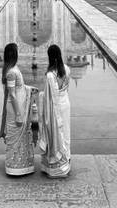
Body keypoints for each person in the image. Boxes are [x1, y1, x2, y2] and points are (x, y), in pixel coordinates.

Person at [0, 43, 37, 176]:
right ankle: (14, 166)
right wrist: (18, 114)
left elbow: (18, 88)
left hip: (19, 105)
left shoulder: (12, 69)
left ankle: (22, 165)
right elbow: (12, 94)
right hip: (16, 107)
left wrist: (29, 88)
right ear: (14, 55)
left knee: (21, 137)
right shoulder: (11, 72)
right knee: (15, 136)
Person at [39, 44, 71, 178]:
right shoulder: (67, 69)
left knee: (55, 133)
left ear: (50, 57)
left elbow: (48, 96)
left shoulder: (50, 75)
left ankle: (56, 167)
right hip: (65, 104)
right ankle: (66, 161)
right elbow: (64, 90)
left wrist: (41, 96)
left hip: (55, 107)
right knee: (65, 132)